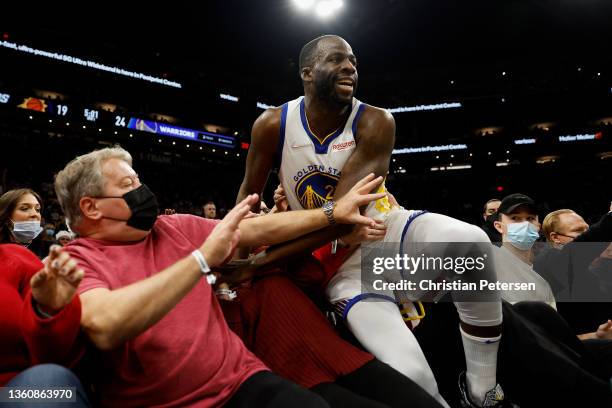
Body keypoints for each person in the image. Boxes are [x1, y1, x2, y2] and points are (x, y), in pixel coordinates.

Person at [238, 35, 510, 407]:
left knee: (473, 242)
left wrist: (260, 261)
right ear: (307, 72)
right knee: (414, 378)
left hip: (386, 232)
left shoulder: (376, 120)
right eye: (337, 59)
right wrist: (239, 251)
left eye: (353, 61)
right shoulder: (272, 124)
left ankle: (482, 391)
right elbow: (247, 199)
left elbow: (343, 218)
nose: (350, 67)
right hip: (338, 265)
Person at [54, 146, 386, 408]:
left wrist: (332, 213)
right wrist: (200, 260)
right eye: (128, 186)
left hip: (240, 380)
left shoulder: (172, 227)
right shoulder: (73, 261)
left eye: (139, 180)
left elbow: (252, 229)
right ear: (91, 207)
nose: (142, 190)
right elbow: (105, 325)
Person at [1, 243, 90, 407]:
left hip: (10, 394)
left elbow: (57, 359)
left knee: (49, 381)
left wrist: (48, 311)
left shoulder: (16, 260)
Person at [0, 188, 46, 257]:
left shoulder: (46, 252)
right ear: (6, 216)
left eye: (37, 209)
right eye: (24, 208)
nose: (35, 214)